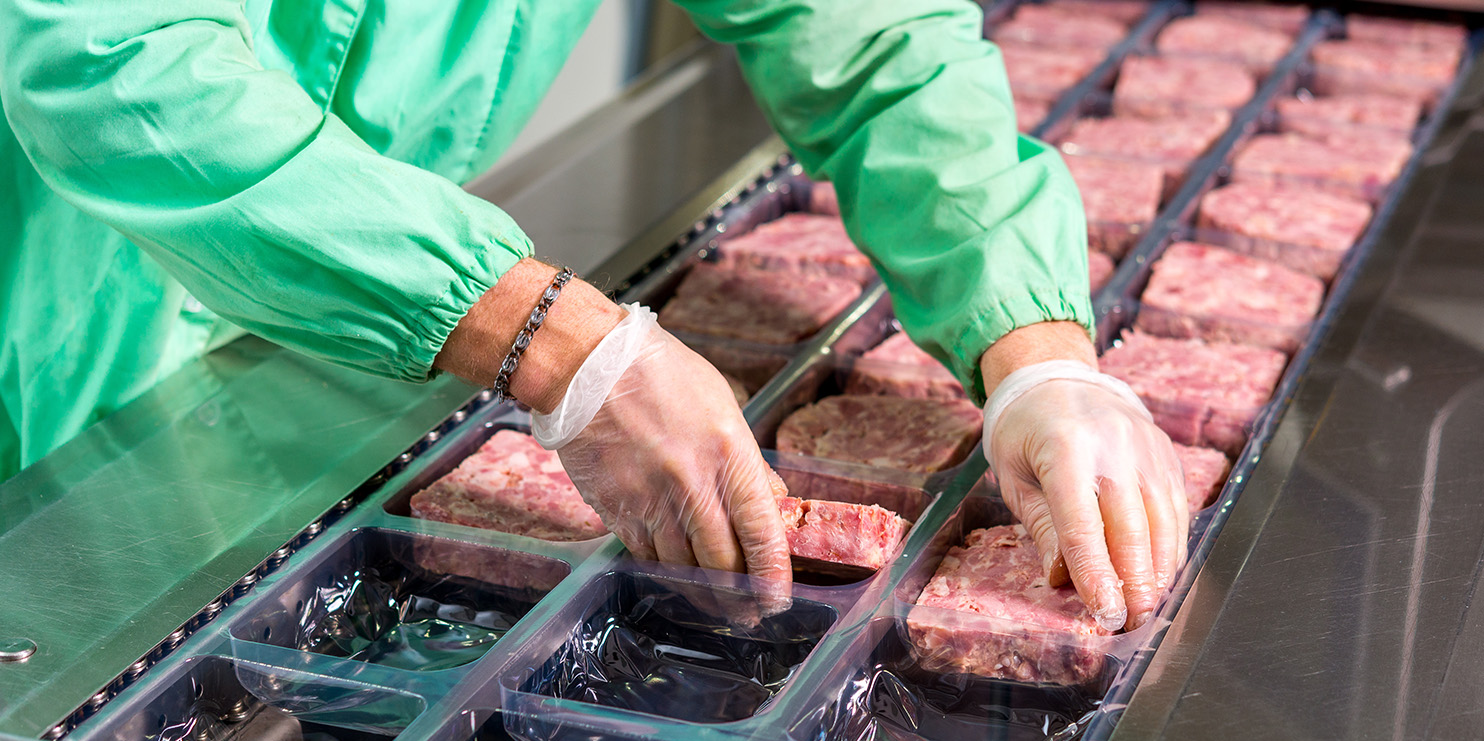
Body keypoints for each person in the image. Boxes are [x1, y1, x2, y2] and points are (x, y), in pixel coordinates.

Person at [0, 0, 1185, 630]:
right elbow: (117, 66)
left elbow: (875, 44)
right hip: (42, 323)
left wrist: (1035, 351)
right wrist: (552, 343)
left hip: (315, 326)